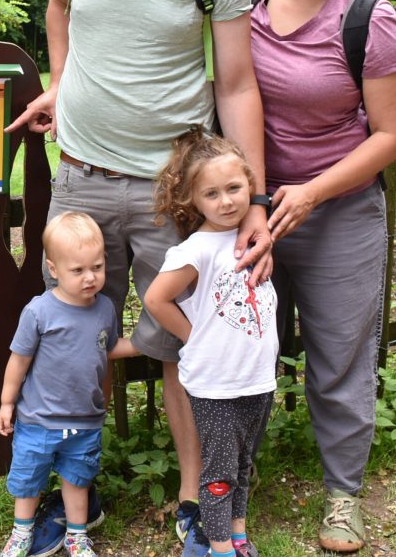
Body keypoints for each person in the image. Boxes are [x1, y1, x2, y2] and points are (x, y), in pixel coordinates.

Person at [5, 0, 272, 556]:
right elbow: (59, 9)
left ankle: (197, 504)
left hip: (172, 194)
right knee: (70, 341)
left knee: (189, 349)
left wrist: (251, 200)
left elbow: (239, 83)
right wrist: (60, 82)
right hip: (82, 180)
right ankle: (66, 505)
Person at [251, 0, 396, 553]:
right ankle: (231, 476)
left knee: (340, 360)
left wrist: (312, 192)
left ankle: (343, 497)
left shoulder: (370, 20)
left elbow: (393, 131)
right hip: (253, 208)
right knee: (244, 344)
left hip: (337, 211)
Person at [112, 129, 277, 557]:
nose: (226, 201)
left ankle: (237, 535)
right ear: (193, 200)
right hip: (217, 385)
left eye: (235, 188)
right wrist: (193, 335)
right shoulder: (198, 249)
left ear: (250, 186)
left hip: (256, 380)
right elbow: (155, 298)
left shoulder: (254, 239)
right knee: (219, 472)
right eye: (212, 193)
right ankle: (218, 547)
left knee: (241, 467)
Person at [0, 212, 120, 557]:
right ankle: (22, 532)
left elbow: (109, 350)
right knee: (28, 481)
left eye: (96, 267)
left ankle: (76, 536)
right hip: (39, 420)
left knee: (77, 479)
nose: (89, 277)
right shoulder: (39, 312)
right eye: (77, 271)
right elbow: (18, 361)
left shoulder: (105, 308)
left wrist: (147, 341)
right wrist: (7, 403)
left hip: (84, 421)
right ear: (53, 269)